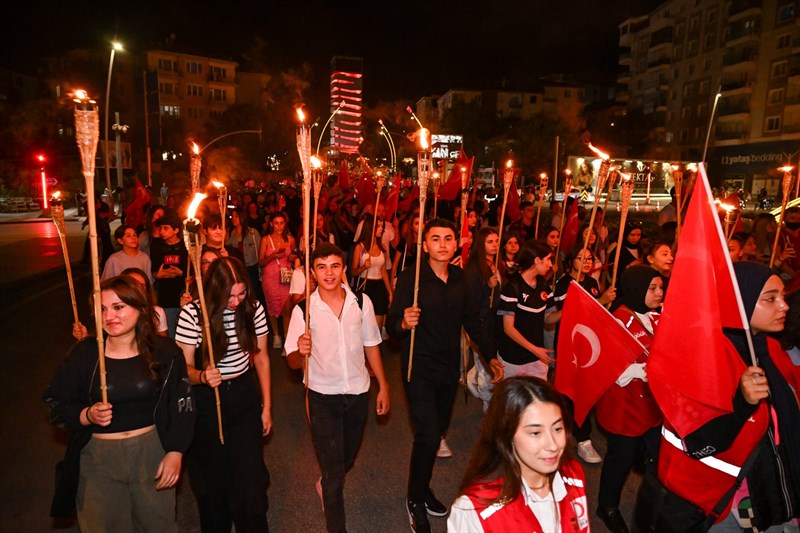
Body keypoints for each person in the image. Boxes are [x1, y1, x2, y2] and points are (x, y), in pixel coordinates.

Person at [656, 262, 799, 532]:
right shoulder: (706, 357)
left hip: (772, 489)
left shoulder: (769, 348)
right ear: (739, 301)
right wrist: (742, 403)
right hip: (723, 501)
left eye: (783, 296)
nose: (784, 306)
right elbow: (696, 443)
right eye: (770, 299)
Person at [43, 275, 195, 529]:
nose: (108, 316)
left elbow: (183, 407)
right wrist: (86, 415)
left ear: (139, 307)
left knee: (158, 526)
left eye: (118, 307)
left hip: (152, 454)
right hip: (99, 460)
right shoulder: (84, 354)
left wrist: (176, 451)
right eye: (101, 309)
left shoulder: (165, 352)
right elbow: (55, 402)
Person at [387, 218, 502, 533]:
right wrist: (403, 323)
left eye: (447, 238)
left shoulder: (461, 279)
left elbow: (473, 320)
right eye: (434, 238)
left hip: (449, 368)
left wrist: (490, 355)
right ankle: (414, 499)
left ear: (456, 244)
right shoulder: (411, 278)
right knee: (426, 435)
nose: (441, 244)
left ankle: (423, 489)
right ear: (424, 245)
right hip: (418, 368)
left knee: (436, 433)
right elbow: (391, 325)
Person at [284, 243, 390, 533]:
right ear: (313, 273)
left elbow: (371, 344)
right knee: (333, 472)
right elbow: (293, 362)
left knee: (347, 458)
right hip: (322, 396)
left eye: (334, 266)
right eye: (321, 267)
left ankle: (329, 480)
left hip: (358, 392)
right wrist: (300, 350)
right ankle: (336, 525)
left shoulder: (361, 302)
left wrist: (383, 384)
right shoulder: (303, 310)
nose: (328, 273)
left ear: (343, 269)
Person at [175, 257, 272, 532]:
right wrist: (202, 376)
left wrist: (267, 407)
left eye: (241, 293)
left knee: (250, 489)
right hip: (207, 401)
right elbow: (184, 369)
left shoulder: (252, 309)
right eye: (230, 295)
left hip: (243, 395)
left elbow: (262, 359)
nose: (236, 301)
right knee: (213, 490)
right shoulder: (193, 314)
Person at [447, 377, 590, 532]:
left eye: (557, 429)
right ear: (506, 436)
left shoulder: (573, 474)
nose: (553, 445)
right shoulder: (475, 510)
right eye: (536, 433)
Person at [596, 266, 664, 533]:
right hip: (624, 407)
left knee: (659, 460)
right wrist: (642, 370)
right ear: (637, 289)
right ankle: (607, 506)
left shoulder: (657, 317)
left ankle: (650, 509)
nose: (659, 293)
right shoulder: (618, 320)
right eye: (653, 289)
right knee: (619, 461)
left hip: (652, 406)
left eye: (660, 287)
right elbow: (605, 367)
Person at [548, 246, 616, 465]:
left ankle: (578, 430)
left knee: (586, 387)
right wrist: (602, 301)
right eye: (581, 257)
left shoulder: (593, 283)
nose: (587, 261)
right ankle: (580, 437)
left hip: (590, 342)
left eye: (589, 257)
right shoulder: (564, 284)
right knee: (569, 389)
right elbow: (570, 312)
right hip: (571, 343)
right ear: (570, 262)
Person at [496, 240, 556, 381]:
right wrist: (534, 349)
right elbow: (508, 328)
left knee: (537, 399)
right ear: (537, 260)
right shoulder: (512, 288)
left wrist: (568, 309)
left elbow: (547, 318)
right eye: (548, 259)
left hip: (536, 358)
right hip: (513, 358)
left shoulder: (543, 285)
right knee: (512, 400)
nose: (551, 264)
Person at [259, 211, 296, 349]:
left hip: (285, 277)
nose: (279, 226)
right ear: (271, 224)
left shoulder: (290, 240)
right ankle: (276, 336)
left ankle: (287, 340)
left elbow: (293, 256)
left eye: (281, 223)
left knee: (287, 308)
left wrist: (292, 257)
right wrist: (273, 256)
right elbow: (260, 262)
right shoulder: (265, 239)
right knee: (272, 307)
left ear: (285, 224)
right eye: (276, 223)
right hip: (270, 277)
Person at [150, 209, 188, 338]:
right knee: (169, 333)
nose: (162, 232)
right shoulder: (157, 247)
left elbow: (193, 274)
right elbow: (153, 271)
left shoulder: (185, 247)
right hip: (165, 298)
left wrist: (181, 273)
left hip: (184, 296)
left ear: (176, 230)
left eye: (166, 228)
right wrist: (158, 275)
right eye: (161, 228)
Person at [351, 216, 393, 332]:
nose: (381, 229)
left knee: (377, 328)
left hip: (379, 288)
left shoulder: (382, 247)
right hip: (366, 287)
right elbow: (353, 272)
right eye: (378, 226)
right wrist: (364, 266)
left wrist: (390, 293)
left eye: (381, 227)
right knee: (363, 327)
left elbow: (383, 271)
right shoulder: (360, 247)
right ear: (370, 228)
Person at [228, 207, 266, 308]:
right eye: (233, 216)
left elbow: (260, 250)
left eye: (236, 216)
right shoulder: (231, 234)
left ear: (242, 217)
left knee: (251, 294)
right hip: (238, 269)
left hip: (251, 268)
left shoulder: (253, 233)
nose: (233, 219)